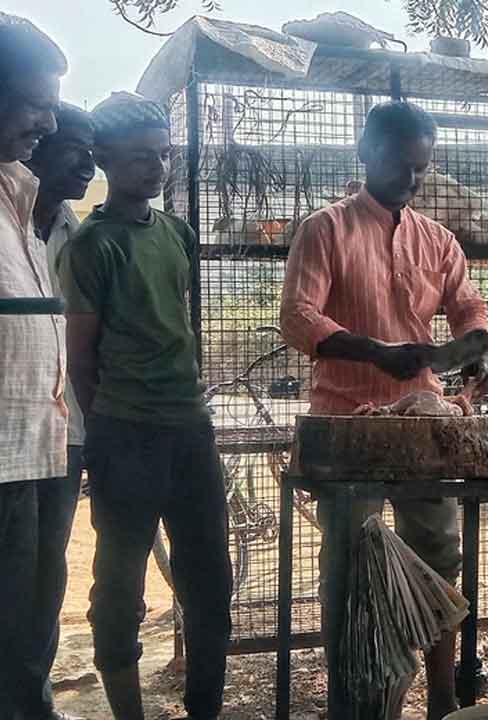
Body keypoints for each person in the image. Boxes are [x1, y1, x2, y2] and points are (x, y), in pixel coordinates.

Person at [280, 101, 488, 720]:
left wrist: (474, 348)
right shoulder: (327, 229)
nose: (409, 181)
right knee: (356, 569)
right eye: (400, 166)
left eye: (420, 171)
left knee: (439, 560)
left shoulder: (438, 239)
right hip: (347, 428)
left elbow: (468, 307)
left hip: (422, 423)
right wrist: (377, 351)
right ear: (366, 154)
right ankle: (360, 705)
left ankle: (443, 701)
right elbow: (298, 319)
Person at [61, 92, 232, 720]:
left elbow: (177, 324)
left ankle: (204, 709)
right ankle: (128, 711)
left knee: (211, 581)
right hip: (126, 433)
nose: (155, 169)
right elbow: (82, 357)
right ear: (104, 157)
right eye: (139, 158)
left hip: (190, 430)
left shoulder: (178, 233)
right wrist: (110, 427)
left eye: (162, 156)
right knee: (119, 586)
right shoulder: (92, 245)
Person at [0, 14, 73, 720]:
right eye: (35, 103)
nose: (48, 124)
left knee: (27, 632)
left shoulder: (17, 197)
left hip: (32, 452)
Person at [16, 102, 94, 720]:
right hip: (8, 430)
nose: (87, 163)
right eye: (74, 147)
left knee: (46, 574)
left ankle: (33, 696)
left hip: (62, 431)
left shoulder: (78, 232)